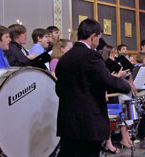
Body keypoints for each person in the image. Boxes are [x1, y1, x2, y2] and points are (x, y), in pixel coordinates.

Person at [55, 18, 131, 157]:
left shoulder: (64, 58)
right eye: (98, 38)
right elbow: (107, 80)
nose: (98, 42)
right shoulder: (92, 56)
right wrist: (126, 85)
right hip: (88, 122)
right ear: (92, 37)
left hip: (67, 121)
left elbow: (58, 89)